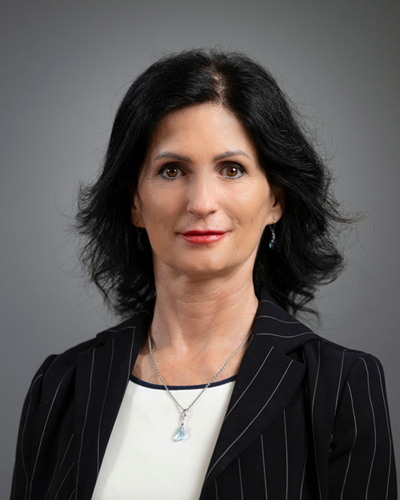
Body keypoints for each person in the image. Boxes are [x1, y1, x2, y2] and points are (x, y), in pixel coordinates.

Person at [11, 49, 397, 500]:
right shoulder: (61, 385)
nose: (201, 203)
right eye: (172, 170)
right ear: (134, 202)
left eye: (232, 170)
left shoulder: (340, 385)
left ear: (276, 199)